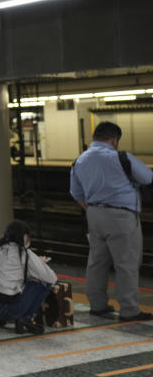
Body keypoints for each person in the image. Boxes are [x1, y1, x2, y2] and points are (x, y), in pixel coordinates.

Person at [70, 121, 153, 321]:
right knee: (126, 264)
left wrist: (93, 210)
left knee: (97, 262)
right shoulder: (121, 158)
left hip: (94, 215)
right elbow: (148, 177)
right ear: (114, 140)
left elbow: (76, 192)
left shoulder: (79, 161)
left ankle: (97, 306)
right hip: (121, 216)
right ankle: (129, 310)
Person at [0, 220, 57, 334]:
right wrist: (41, 264)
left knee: (8, 286)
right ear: (24, 236)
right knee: (43, 283)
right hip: (5, 310)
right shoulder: (24, 253)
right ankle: (25, 318)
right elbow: (52, 277)